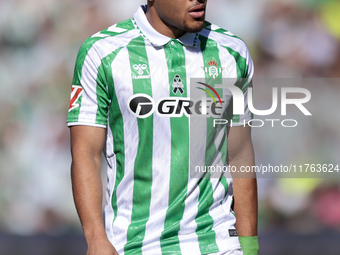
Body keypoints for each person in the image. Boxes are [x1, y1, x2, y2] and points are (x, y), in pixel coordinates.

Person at [68, 0, 258, 254]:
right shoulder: (102, 52)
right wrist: (95, 237)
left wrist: (249, 246)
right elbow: (86, 153)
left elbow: (240, 153)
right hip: (135, 244)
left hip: (218, 243)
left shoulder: (232, 51)